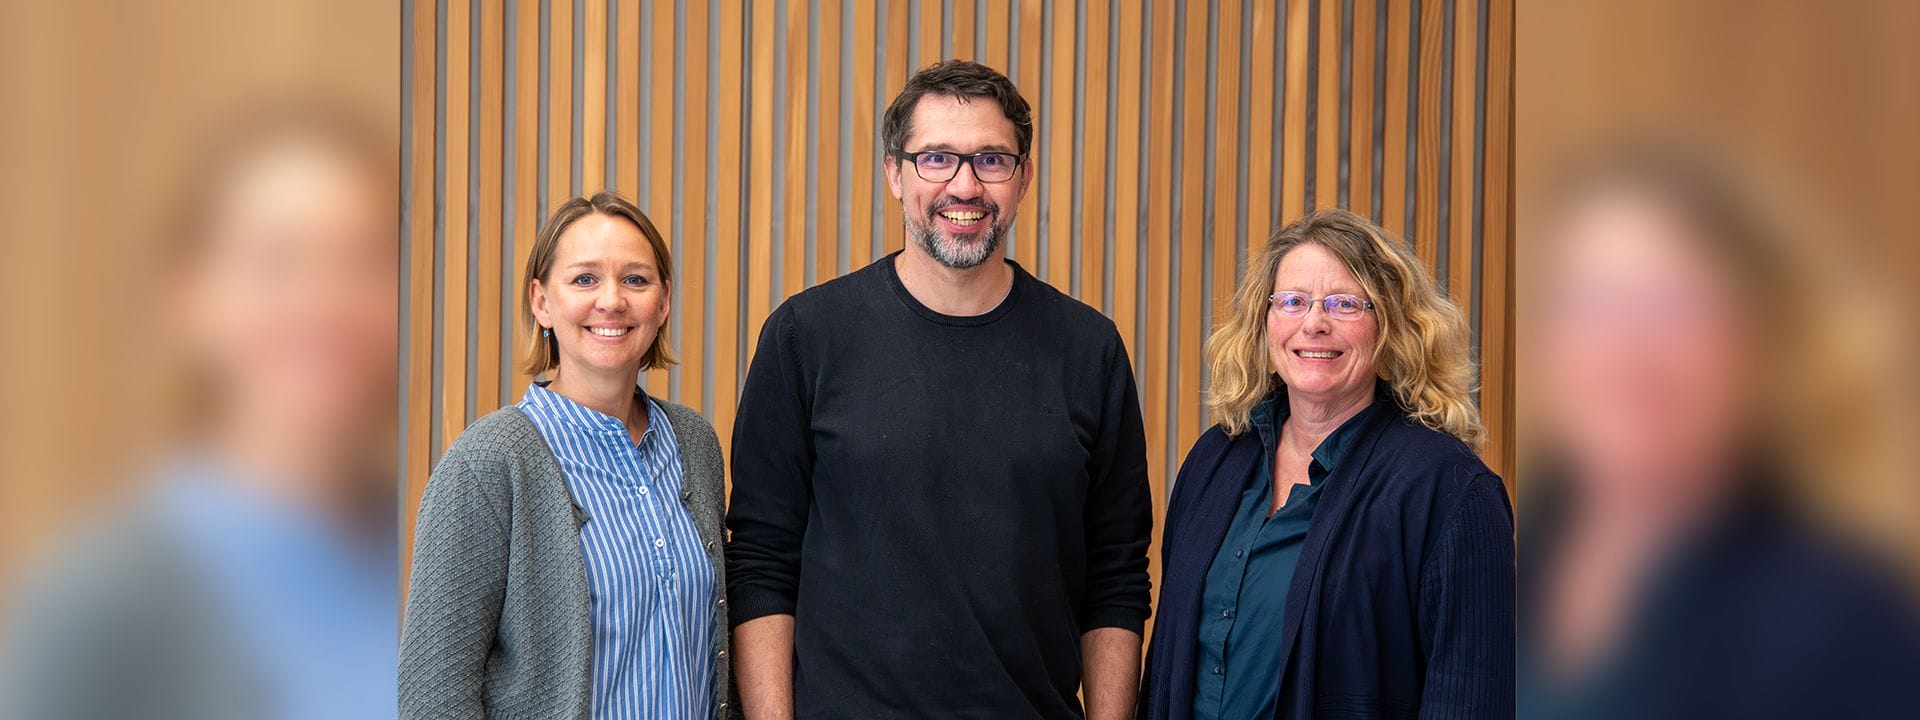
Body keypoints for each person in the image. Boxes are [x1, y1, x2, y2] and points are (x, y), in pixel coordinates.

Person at [726, 60, 1152, 719]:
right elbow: (761, 561)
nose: (965, 185)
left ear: (1023, 177)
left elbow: (1116, 578)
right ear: (895, 174)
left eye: (991, 160)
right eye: (937, 159)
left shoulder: (1088, 348)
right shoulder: (806, 336)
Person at [1, 104, 399, 720]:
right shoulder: (100, 599)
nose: (325, 302)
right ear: (192, 295)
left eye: (364, 260)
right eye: (278, 261)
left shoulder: (458, 533)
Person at [1521, 147, 1920, 719]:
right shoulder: (1491, 547)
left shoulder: (1843, 620)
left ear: (1761, 341)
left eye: (1674, 305)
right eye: (1591, 302)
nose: (1626, 346)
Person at [1140, 209, 1515, 719]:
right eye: (1292, 301)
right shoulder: (1215, 460)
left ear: (1390, 328)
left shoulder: (1449, 491)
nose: (1314, 323)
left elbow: (1470, 699)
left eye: (1344, 304)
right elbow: (1167, 664)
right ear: (1265, 323)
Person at [400, 192, 731, 719]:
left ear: (663, 302)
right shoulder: (488, 464)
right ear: (541, 302)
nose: (612, 301)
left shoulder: (693, 443)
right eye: (584, 279)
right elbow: (434, 693)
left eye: (635, 280)